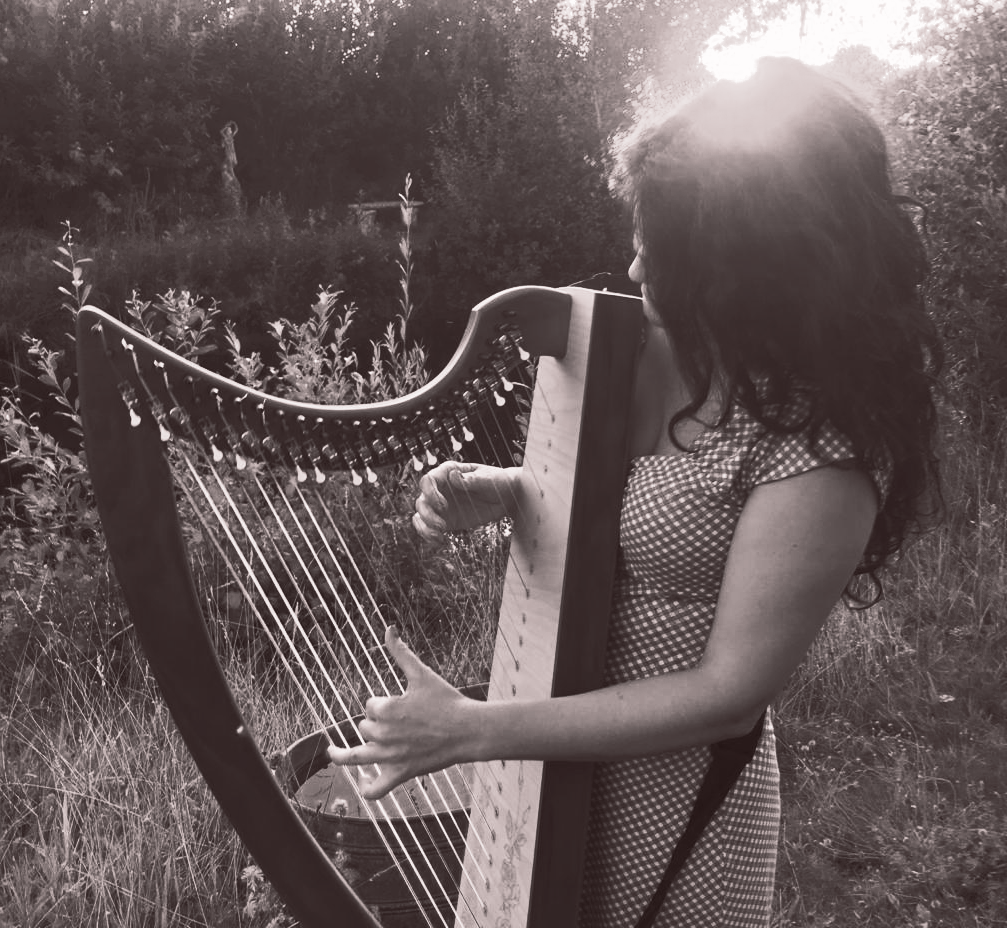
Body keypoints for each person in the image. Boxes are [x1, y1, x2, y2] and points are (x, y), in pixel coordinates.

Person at [328, 57, 942, 926]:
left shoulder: (822, 444)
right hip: (558, 764)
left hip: (682, 802)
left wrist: (473, 729)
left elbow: (728, 692)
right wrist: (501, 491)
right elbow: (607, 503)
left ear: (747, 262)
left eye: (663, 244)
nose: (635, 260)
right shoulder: (639, 351)